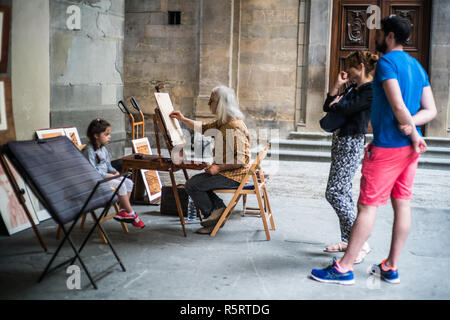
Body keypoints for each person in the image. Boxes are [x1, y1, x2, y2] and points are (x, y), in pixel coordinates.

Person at [310, 15, 437, 285]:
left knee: (366, 208)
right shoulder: (417, 66)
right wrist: (414, 132)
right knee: (402, 206)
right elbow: (431, 111)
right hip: (408, 151)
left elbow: (398, 105)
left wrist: (407, 126)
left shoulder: (387, 63)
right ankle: (391, 266)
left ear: (390, 36)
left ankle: (344, 269)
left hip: (388, 147)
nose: (376, 37)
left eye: (379, 33)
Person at [169, 85, 251, 234]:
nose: (208, 104)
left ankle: (213, 219)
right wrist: (182, 119)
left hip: (236, 175)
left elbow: (241, 159)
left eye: (211, 100)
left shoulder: (233, 126)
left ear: (220, 104)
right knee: (197, 183)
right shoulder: (224, 122)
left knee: (193, 184)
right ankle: (218, 211)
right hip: (230, 171)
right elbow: (203, 127)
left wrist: (218, 168)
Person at [323, 51, 378, 264]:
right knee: (342, 191)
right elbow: (328, 106)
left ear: (361, 67)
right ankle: (349, 239)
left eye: (351, 68)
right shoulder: (355, 88)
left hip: (351, 142)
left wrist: (337, 103)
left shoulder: (370, 90)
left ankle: (360, 242)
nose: (347, 72)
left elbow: (345, 108)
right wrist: (336, 88)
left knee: (334, 192)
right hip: (341, 139)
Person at [84, 118, 145, 229]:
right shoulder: (89, 151)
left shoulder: (103, 149)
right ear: (96, 135)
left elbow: (108, 166)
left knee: (128, 183)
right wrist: (110, 176)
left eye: (109, 134)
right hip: (96, 181)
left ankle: (122, 211)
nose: (109, 137)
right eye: (106, 134)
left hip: (107, 178)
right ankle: (132, 213)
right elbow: (92, 172)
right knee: (120, 185)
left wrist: (115, 172)